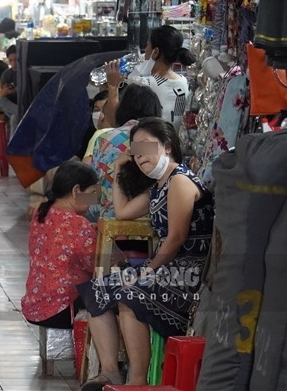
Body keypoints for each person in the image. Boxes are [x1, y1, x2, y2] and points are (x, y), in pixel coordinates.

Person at [77, 117, 214, 389]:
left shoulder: (180, 181)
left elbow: (176, 237)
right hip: (167, 268)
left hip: (188, 274)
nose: (141, 158)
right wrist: (118, 169)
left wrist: (147, 271)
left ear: (167, 147)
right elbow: (123, 212)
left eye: (147, 149)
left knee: (131, 295)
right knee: (97, 289)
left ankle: (137, 380)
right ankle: (110, 371)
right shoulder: (159, 187)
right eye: (136, 153)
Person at [22, 160, 98, 329]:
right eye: (92, 193)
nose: (94, 201)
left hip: (34, 307)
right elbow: (98, 267)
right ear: (76, 190)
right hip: (60, 310)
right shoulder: (78, 224)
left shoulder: (40, 213)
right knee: (114, 295)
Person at [81, 85, 162, 221]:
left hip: (105, 219)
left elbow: (94, 185)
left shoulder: (103, 138)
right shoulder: (152, 140)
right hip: (142, 221)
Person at [101, 25, 195, 132]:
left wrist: (113, 86)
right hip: (172, 144)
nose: (145, 50)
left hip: (147, 146)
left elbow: (114, 122)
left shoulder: (142, 85)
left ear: (155, 52)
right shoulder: (183, 81)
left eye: (147, 45)